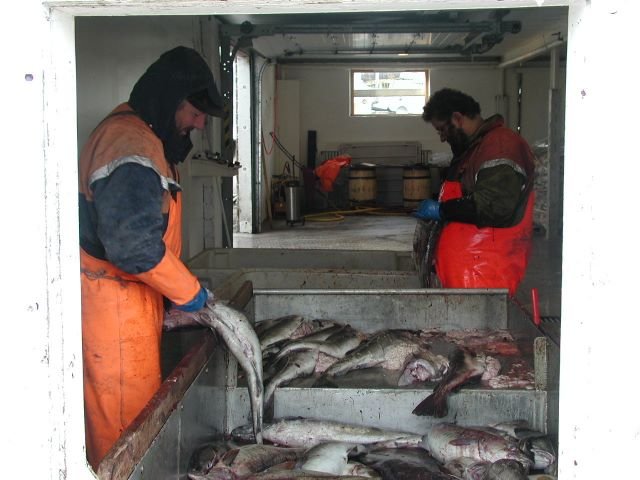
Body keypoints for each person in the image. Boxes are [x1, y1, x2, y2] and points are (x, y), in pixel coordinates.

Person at [78, 46, 224, 469]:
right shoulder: (131, 143)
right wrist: (192, 295)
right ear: (168, 97)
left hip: (134, 307)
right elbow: (132, 247)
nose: (200, 123)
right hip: (115, 322)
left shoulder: (145, 136)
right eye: (195, 111)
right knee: (126, 440)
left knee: (140, 429)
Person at [414, 88, 535, 296]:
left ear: (457, 118)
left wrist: (442, 210)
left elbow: (495, 206)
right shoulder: (473, 149)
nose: (443, 138)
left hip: (485, 276)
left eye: (442, 129)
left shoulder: (500, 146)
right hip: (466, 275)